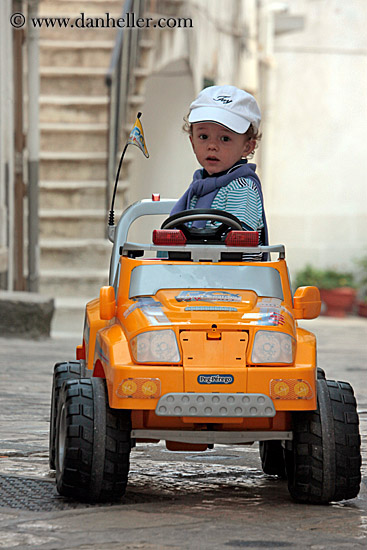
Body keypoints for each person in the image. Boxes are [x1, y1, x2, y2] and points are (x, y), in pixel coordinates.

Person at [171, 85, 268, 251]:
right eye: (203, 136)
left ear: (247, 147)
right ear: (192, 142)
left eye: (225, 138)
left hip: (231, 275)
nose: (212, 146)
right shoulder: (200, 185)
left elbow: (237, 245)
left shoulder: (242, 188)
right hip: (198, 272)